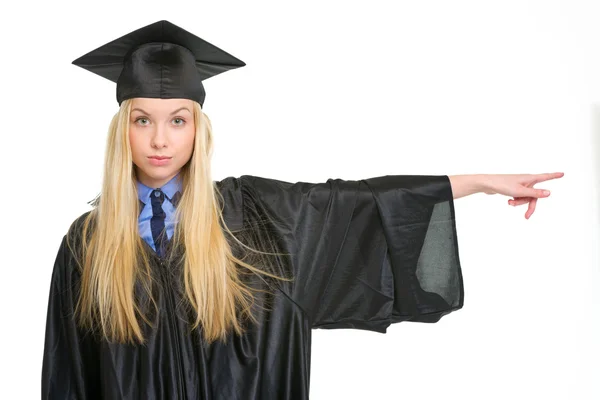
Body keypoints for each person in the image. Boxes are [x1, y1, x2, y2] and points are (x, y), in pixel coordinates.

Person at [40, 19, 564, 400]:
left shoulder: (253, 218)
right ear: (121, 130)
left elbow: (353, 202)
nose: (159, 139)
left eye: (178, 120)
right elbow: (67, 377)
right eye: (141, 120)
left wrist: (471, 183)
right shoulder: (88, 243)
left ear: (199, 128)